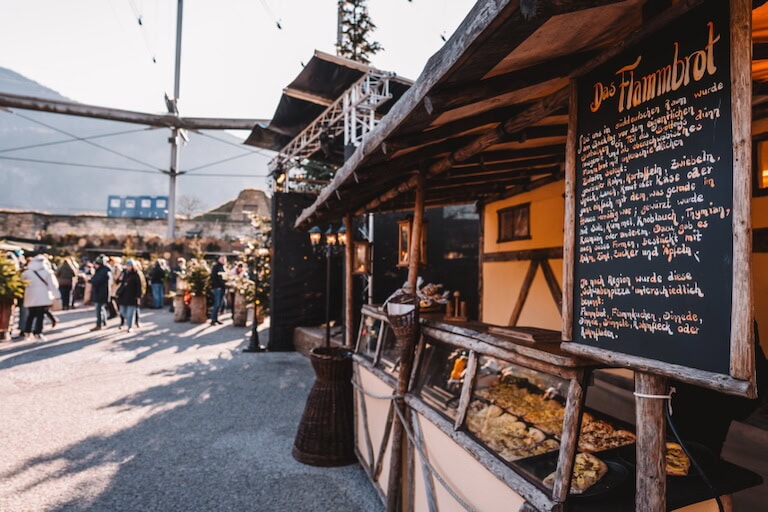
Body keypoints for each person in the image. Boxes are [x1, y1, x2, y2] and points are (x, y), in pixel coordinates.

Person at [20, 254, 60, 341]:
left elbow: (21, 282)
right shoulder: (47, 272)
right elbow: (53, 285)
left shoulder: (27, 272)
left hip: (30, 296)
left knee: (31, 315)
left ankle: (27, 332)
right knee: (40, 316)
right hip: (43, 296)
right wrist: (57, 296)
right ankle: (38, 332)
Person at [115, 259, 144, 333]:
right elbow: (118, 282)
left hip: (132, 296)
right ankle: (127, 323)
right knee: (122, 311)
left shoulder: (136, 274)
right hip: (123, 296)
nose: (128, 267)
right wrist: (119, 279)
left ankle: (130, 326)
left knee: (130, 314)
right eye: (127, 265)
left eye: (129, 266)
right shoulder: (124, 273)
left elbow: (139, 286)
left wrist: (138, 296)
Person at [89, 255, 112, 331]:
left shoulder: (103, 271)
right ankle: (104, 322)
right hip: (101, 292)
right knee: (101, 308)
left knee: (99, 309)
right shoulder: (102, 270)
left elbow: (97, 280)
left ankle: (99, 324)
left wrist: (90, 280)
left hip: (101, 292)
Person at [209, 255, 227, 326]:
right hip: (217, 288)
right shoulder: (216, 267)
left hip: (222, 287)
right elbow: (213, 277)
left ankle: (216, 319)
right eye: (222, 259)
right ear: (218, 259)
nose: (223, 260)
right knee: (217, 304)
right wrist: (217, 286)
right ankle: (213, 320)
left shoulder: (223, 267)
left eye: (224, 259)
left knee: (220, 304)